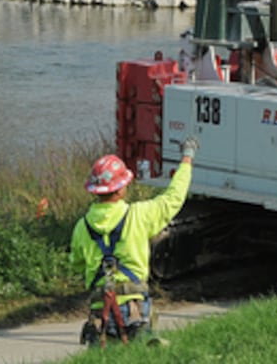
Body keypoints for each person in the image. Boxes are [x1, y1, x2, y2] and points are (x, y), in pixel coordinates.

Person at [69, 138, 197, 345]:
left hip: (100, 312)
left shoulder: (81, 227)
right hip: (134, 309)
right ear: (120, 189)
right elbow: (173, 198)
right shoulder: (139, 215)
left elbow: (76, 263)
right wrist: (187, 160)